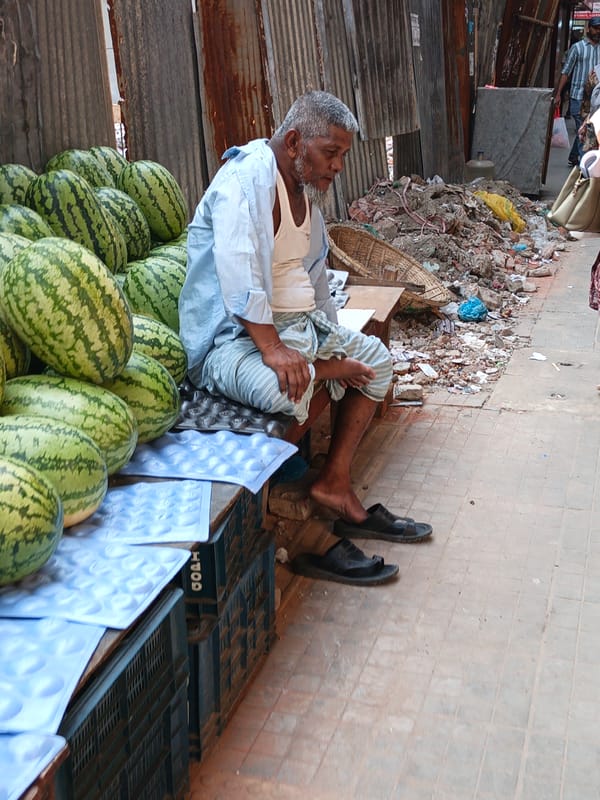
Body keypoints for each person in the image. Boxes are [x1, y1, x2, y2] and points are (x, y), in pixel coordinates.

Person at [178, 90, 433, 585]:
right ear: (294, 142)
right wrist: (274, 348)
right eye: (331, 153)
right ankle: (327, 378)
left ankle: (334, 483)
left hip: (300, 331)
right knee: (283, 388)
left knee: (377, 362)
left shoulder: (306, 199)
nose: (337, 166)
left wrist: (331, 337)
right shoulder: (245, 181)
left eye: (343, 156)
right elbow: (237, 273)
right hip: (232, 341)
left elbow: (315, 282)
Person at [555, 18, 600, 167]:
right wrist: (558, 94)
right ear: (589, 28)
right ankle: (584, 165)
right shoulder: (577, 48)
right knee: (587, 129)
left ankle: (574, 156)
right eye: (595, 28)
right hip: (578, 95)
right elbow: (566, 71)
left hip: (596, 98)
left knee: (586, 128)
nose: (598, 31)